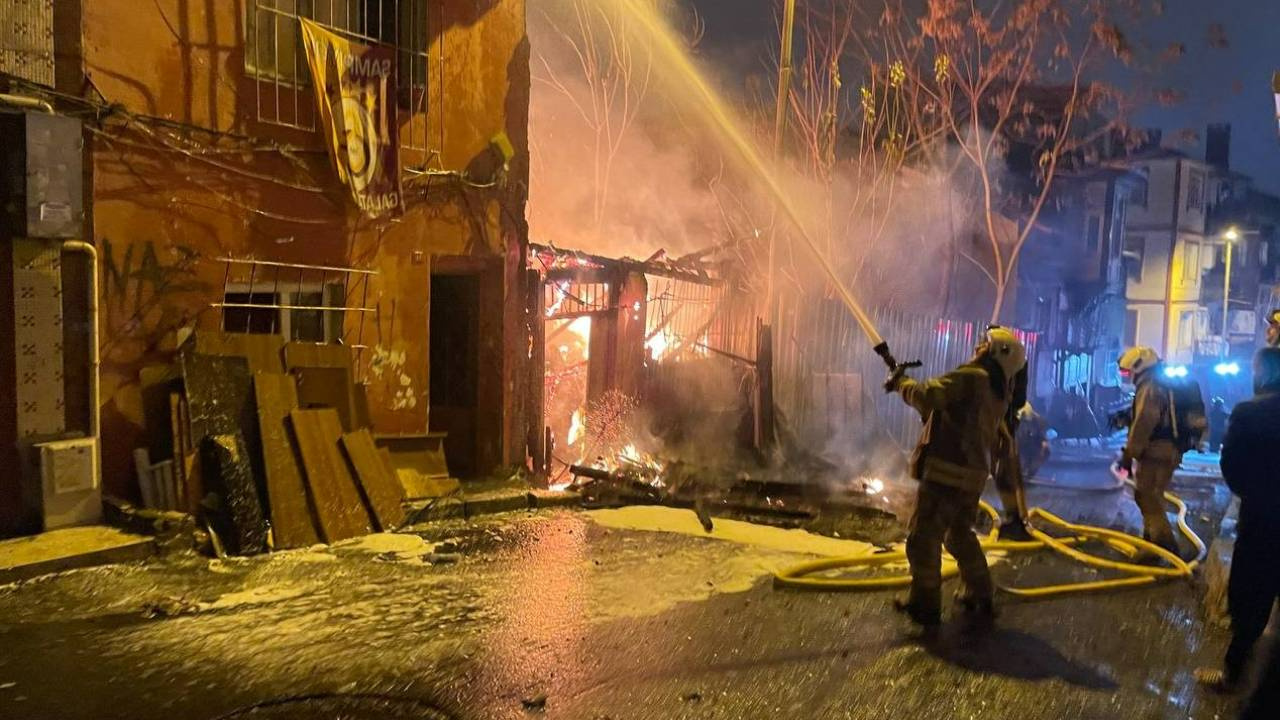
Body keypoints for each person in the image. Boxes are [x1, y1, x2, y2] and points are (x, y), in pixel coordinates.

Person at [884, 327, 1025, 629]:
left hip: (946, 472)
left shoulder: (973, 377)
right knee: (959, 535)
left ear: (993, 352)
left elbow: (929, 395)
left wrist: (902, 383)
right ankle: (980, 593)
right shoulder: (999, 390)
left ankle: (925, 604)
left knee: (923, 538)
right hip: (971, 475)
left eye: (983, 346)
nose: (977, 349)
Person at [1195, 348, 1280, 697]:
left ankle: (1234, 674)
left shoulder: (1249, 412)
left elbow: (1231, 464)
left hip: (1261, 521)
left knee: (1250, 601)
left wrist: (1255, 494)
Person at [1116, 346, 1181, 555]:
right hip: (1169, 450)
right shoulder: (1162, 383)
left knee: (1146, 496)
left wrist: (1129, 455)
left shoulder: (1150, 386)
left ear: (1139, 367)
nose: (1128, 377)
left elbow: (1144, 423)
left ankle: (1163, 546)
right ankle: (1151, 539)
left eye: (1129, 372)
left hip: (1156, 451)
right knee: (1154, 495)